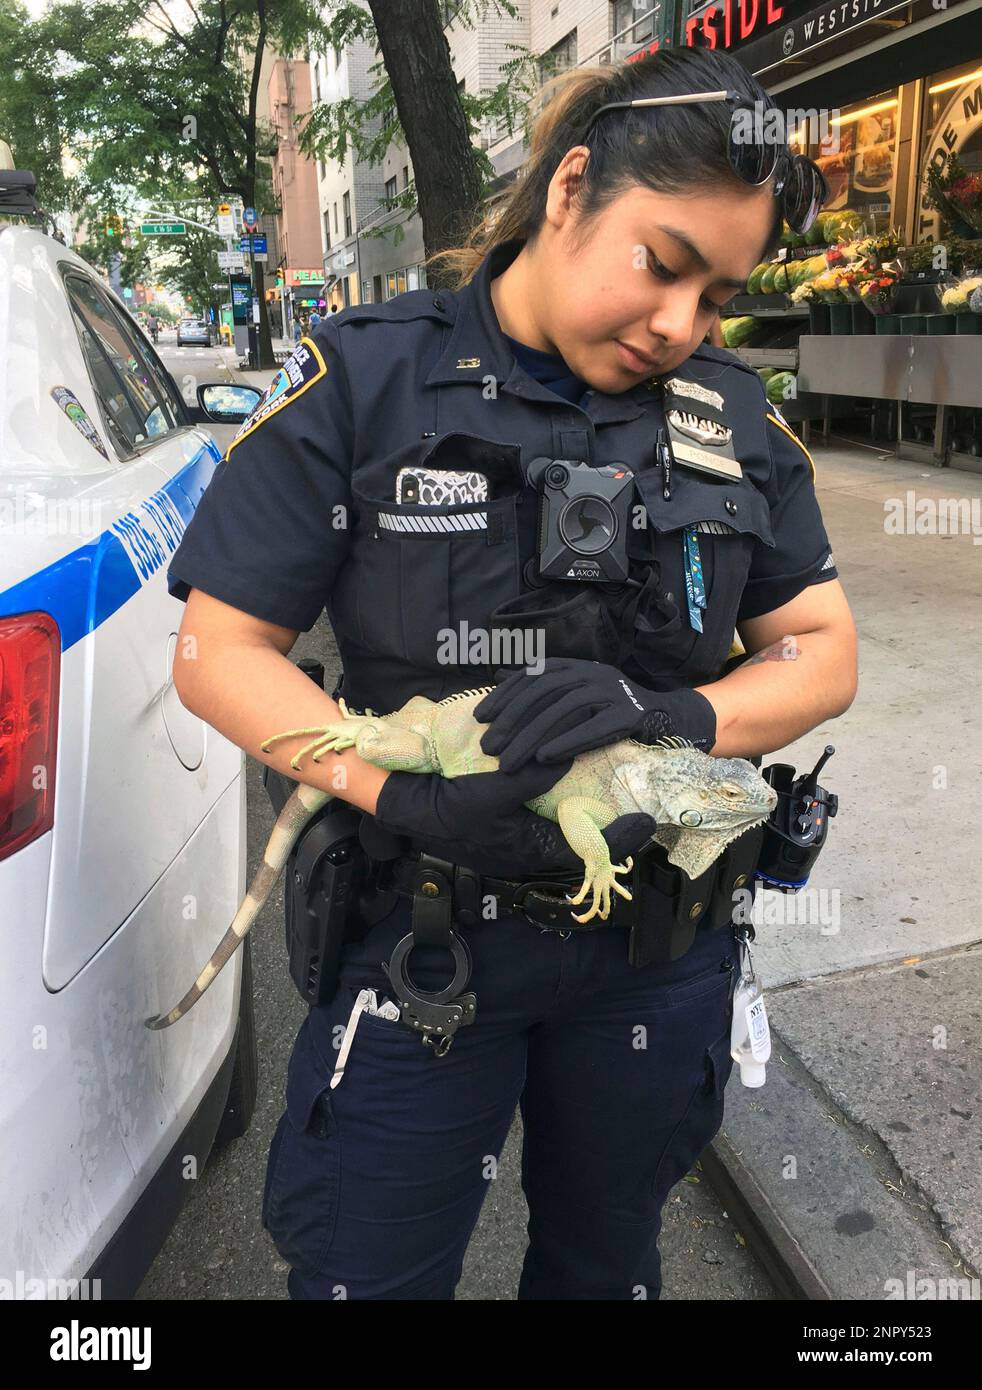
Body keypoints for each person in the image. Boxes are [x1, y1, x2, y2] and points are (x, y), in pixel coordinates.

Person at [166, 45, 856, 1301]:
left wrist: (685, 714)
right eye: (662, 263)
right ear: (570, 186)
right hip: (424, 944)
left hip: (656, 952)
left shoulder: (733, 416)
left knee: (604, 1271)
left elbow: (821, 649)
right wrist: (398, 795)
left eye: (719, 296)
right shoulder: (360, 380)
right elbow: (220, 651)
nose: (678, 326)